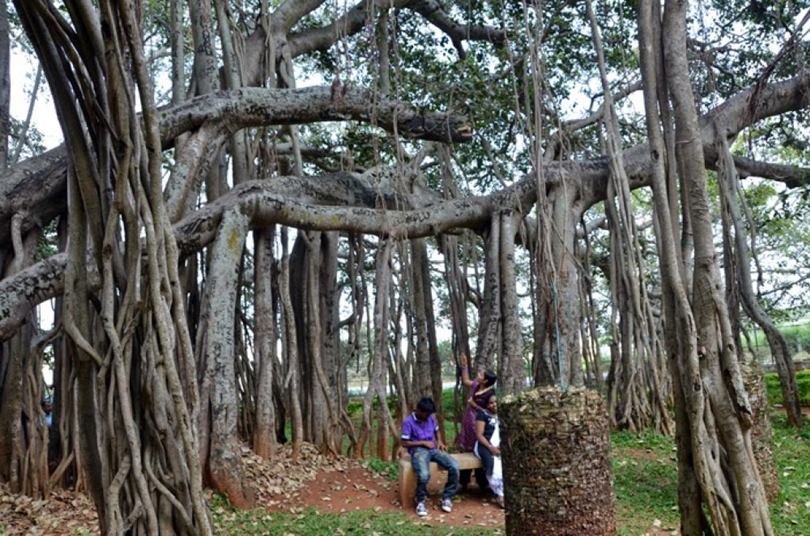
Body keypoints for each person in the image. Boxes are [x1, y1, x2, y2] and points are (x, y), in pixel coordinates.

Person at [401, 396, 460, 517]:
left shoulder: (431, 418)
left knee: (454, 466)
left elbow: (436, 431)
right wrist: (422, 442)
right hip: (418, 451)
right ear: (419, 410)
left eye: (429, 414)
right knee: (424, 475)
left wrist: (440, 441)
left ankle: (447, 497)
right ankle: (420, 501)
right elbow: (404, 443)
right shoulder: (408, 422)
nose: (428, 417)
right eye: (426, 414)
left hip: (433, 448)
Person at [457, 352, 497, 490]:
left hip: (480, 423)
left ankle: (482, 481)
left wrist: (475, 405)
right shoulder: (476, 386)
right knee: (466, 449)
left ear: (485, 381)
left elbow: (491, 411)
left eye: (481, 375)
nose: (479, 375)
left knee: (478, 450)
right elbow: (466, 380)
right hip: (469, 420)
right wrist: (464, 366)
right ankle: (463, 481)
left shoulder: (490, 394)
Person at [474, 392, 504, 508]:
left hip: (499, 445)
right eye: (491, 403)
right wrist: (491, 448)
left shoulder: (503, 414)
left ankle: (502, 491)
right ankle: (499, 494)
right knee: (490, 462)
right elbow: (479, 435)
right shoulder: (482, 414)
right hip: (484, 444)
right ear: (487, 404)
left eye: (496, 402)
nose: (494, 405)